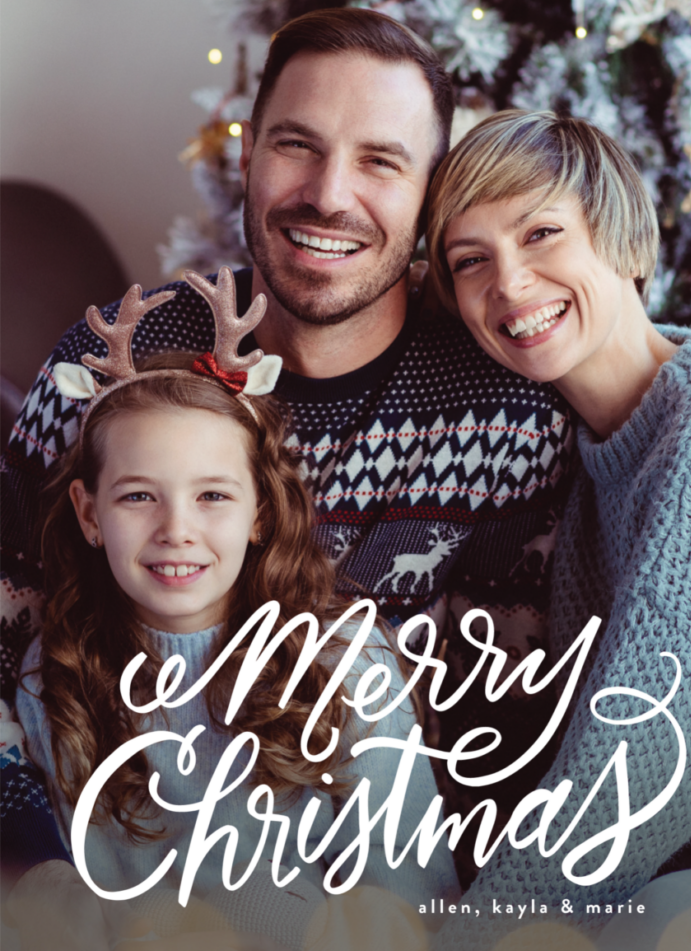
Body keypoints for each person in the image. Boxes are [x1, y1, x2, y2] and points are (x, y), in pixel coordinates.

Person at [0, 10, 573, 944]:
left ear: (431, 197)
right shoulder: (116, 368)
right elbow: (9, 662)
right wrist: (43, 886)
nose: (327, 194)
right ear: (248, 154)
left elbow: (508, 744)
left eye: (381, 161)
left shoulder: (502, 404)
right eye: (295, 146)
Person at [15, 269, 458, 949]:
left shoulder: (345, 663)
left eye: (213, 497)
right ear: (88, 513)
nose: (176, 530)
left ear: (259, 512)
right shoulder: (57, 676)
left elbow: (410, 896)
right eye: (138, 496)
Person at [425, 109, 691, 947]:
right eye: (470, 260)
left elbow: (658, 735)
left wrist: (478, 931)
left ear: (624, 241)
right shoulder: (581, 456)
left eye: (540, 233)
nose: (510, 283)